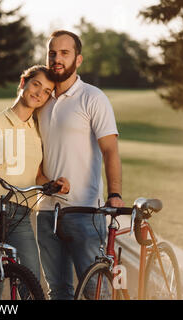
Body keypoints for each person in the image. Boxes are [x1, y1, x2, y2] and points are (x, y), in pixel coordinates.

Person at [35, 30, 124, 300]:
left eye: (64, 53)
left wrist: (115, 194)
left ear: (78, 59)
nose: (57, 59)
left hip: (85, 212)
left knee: (96, 292)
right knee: (58, 292)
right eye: (52, 53)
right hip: (47, 212)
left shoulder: (92, 97)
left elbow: (110, 150)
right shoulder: (42, 101)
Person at [0, 65, 70, 288]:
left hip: (21, 214)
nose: (39, 93)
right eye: (36, 84)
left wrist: (53, 184)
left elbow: (38, 175)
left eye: (47, 91)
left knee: (31, 280)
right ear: (23, 83)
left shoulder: (37, 130)